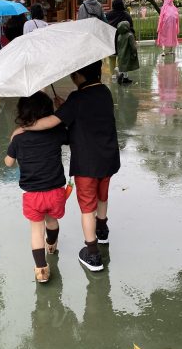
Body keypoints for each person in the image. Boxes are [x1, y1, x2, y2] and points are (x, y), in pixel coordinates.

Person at [13, 61, 120, 273]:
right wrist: (66, 109)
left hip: (86, 164)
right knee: (102, 196)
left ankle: (92, 253)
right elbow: (86, 115)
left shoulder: (77, 98)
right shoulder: (105, 92)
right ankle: (103, 231)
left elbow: (51, 122)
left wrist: (24, 128)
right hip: (108, 158)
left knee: (87, 208)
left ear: (78, 76)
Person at [5, 92, 68, 283]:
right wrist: (61, 111)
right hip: (56, 191)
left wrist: (12, 142)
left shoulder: (19, 138)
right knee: (52, 221)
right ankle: (52, 245)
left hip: (32, 195)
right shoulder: (56, 133)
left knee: (35, 231)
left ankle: (41, 269)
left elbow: (8, 163)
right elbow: (68, 134)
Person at [115, 21, 139, 85]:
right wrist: (134, 53)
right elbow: (133, 46)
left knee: (123, 66)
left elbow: (118, 45)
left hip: (121, 53)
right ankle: (121, 75)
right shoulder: (129, 35)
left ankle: (124, 77)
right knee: (126, 66)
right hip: (128, 53)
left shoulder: (119, 36)